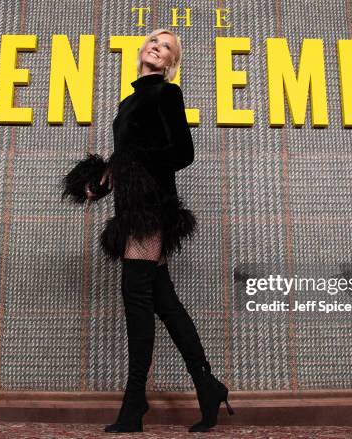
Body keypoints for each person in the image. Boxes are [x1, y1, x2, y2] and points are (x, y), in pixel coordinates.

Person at [72, 29, 234, 433]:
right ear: (142, 52)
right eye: (152, 43)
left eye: (164, 47)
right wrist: (102, 181)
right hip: (131, 208)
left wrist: (132, 161)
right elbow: (124, 159)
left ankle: (133, 403)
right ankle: (208, 385)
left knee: (136, 295)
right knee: (164, 302)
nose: (155, 48)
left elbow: (183, 153)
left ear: (169, 63)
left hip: (151, 209)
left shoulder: (166, 94)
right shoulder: (127, 103)